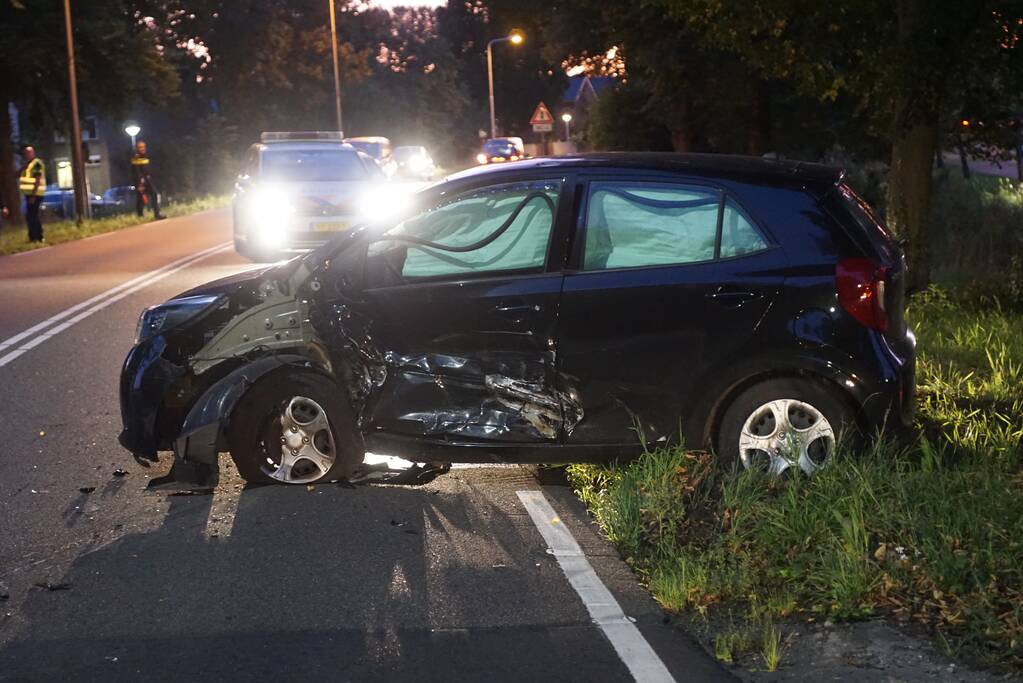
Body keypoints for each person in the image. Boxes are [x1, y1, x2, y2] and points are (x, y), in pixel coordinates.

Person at [18, 145, 46, 242]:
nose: (27, 155)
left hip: (35, 194)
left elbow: (37, 180)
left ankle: (37, 236)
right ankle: (34, 236)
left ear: (33, 153)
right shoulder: (28, 164)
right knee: (31, 215)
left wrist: (33, 195)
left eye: (28, 153)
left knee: (32, 215)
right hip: (30, 194)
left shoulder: (36, 163)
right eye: (25, 153)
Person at [131, 141, 163, 219]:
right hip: (141, 181)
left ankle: (156, 214)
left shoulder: (145, 156)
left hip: (147, 179)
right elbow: (137, 172)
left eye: (143, 147)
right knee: (141, 198)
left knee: (154, 194)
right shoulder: (136, 157)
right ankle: (140, 216)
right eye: (140, 147)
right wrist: (140, 184)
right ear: (137, 148)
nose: (143, 149)